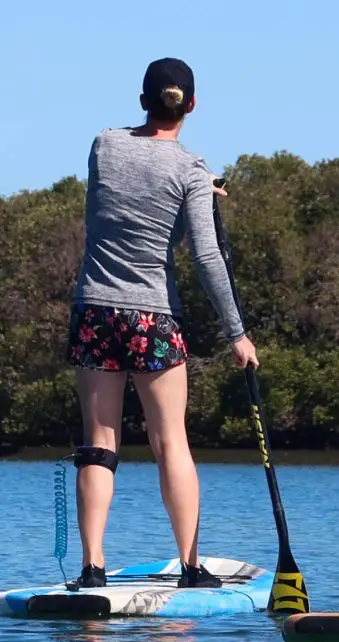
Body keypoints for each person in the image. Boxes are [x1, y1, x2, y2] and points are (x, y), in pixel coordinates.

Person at [65, 57, 258, 590]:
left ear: (142, 99)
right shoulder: (191, 170)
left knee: (98, 442)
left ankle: (91, 567)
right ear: (192, 105)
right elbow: (205, 257)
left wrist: (195, 190)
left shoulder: (103, 146)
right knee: (170, 441)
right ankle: (191, 568)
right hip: (153, 315)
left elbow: (126, 208)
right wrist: (236, 333)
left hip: (95, 310)